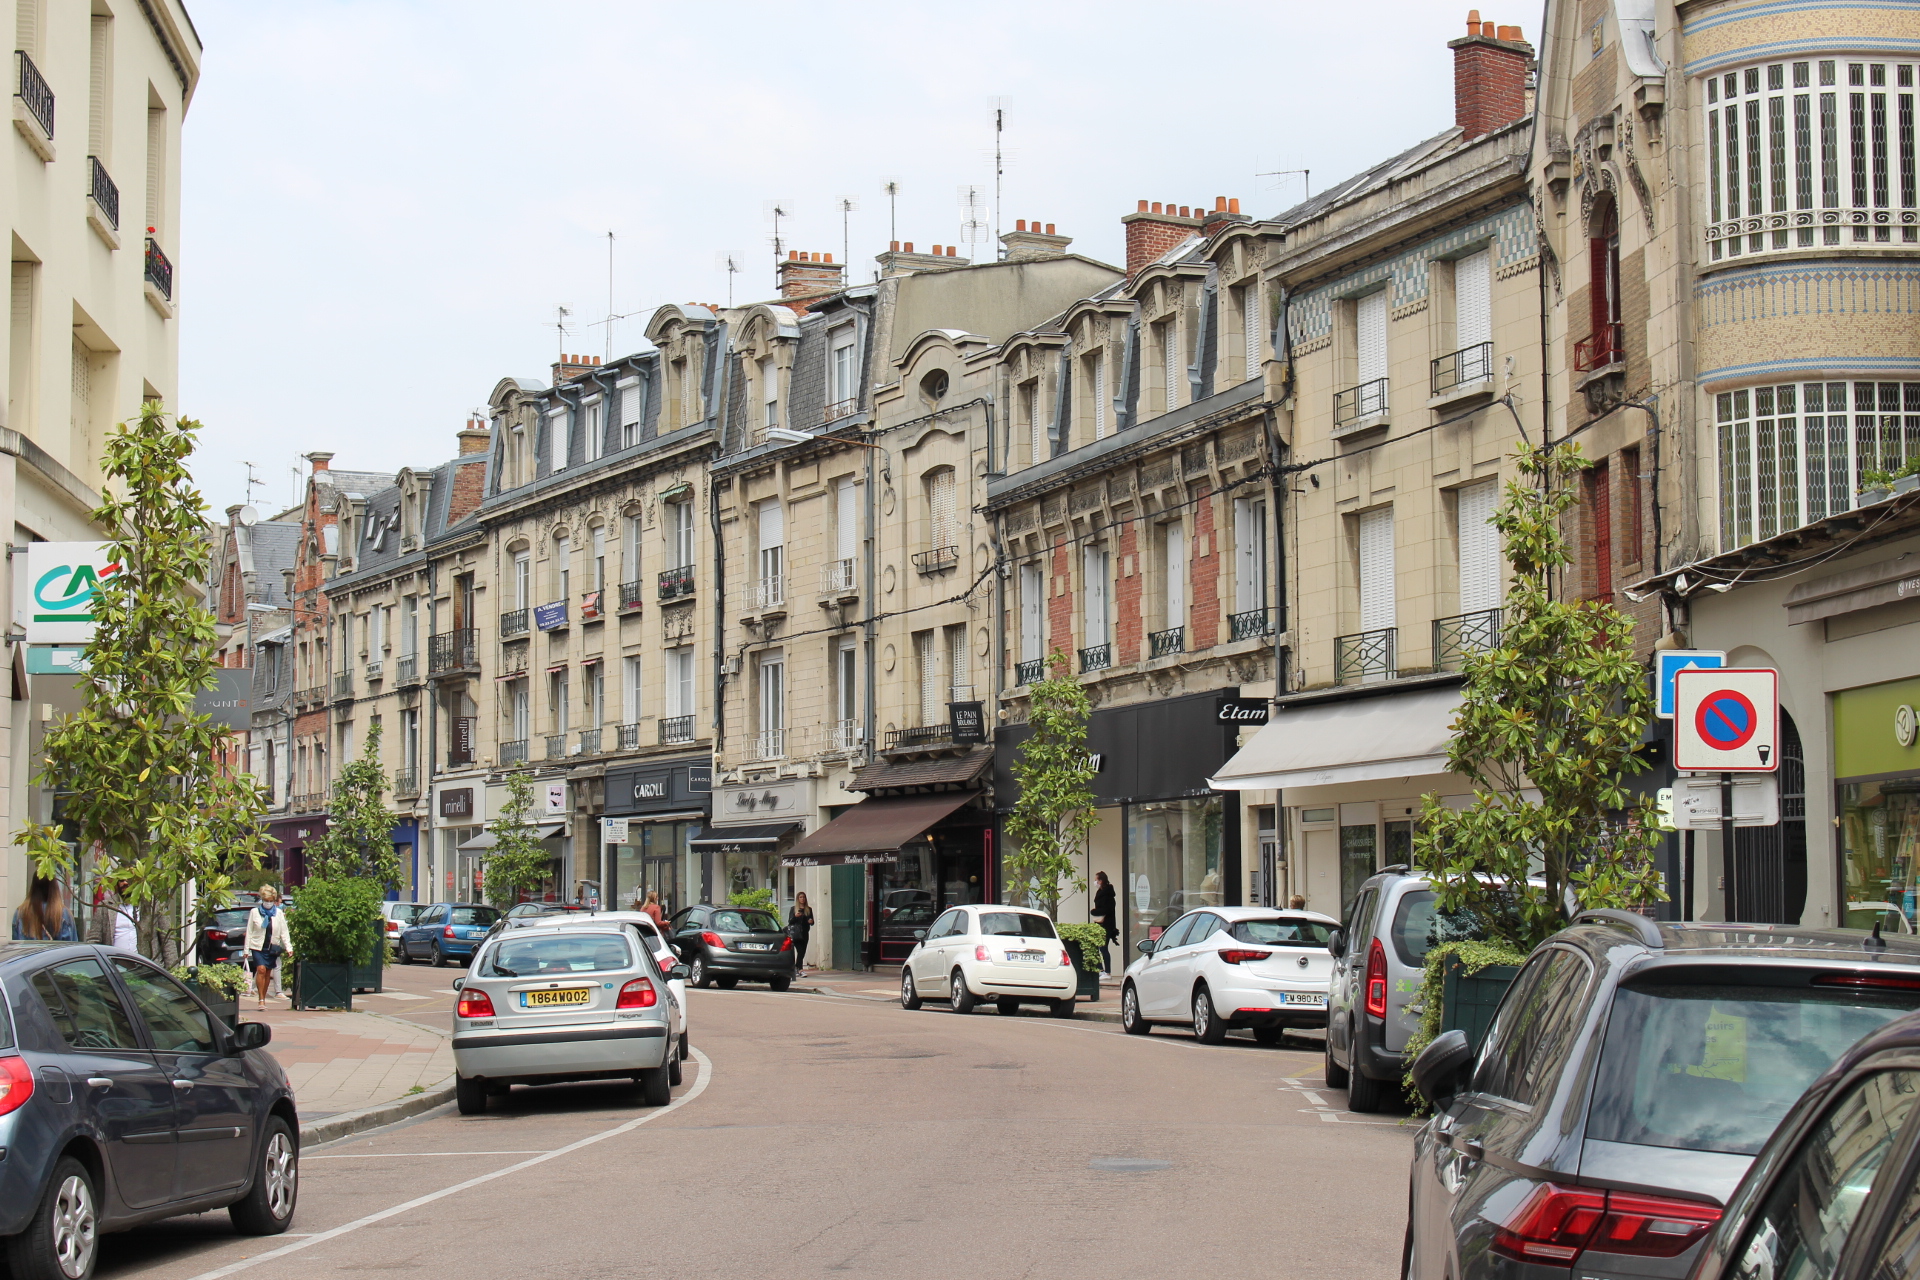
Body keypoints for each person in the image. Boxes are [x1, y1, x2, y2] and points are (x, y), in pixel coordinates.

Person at [244, 885, 293, 1010]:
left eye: (271, 901)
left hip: (272, 947)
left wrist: (288, 947)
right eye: (266, 901)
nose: (268, 903)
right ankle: (260, 1000)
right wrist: (246, 949)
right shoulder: (254, 912)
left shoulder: (279, 913)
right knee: (261, 969)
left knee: (267, 973)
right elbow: (249, 931)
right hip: (257, 946)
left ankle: (263, 997)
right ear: (262, 900)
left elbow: (284, 931)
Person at [12, 875, 78, 941]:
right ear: (55, 887)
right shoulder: (64, 914)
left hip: (29, 951)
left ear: (33, 887)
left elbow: (16, 946)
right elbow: (72, 947)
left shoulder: (20, 913)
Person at [1091, 871, 1118, 975]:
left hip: (1106, 925)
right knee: (1098, 947)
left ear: (1101, 881)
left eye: (1096, 880)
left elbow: (1106, 910)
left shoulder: (1108, 895)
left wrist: (1093, 912)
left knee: (1103, 948)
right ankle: (1102, 970)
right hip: (1100, 924)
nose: (1095, 882)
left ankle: (1106, 972)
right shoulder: (1100, 892)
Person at [788, 891, 815, 971]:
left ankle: (797, 967)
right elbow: (790, 921)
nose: (802, 899)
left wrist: (811, 921)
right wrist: (795, 917)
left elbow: (812, 921)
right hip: (796, 933)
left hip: (805, 933)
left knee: (802, 952)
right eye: (800, 897)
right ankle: (799, 969)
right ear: (798, 899)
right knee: (799, 951)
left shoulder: (808, 909)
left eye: (803, 897)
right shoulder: (794, 909)